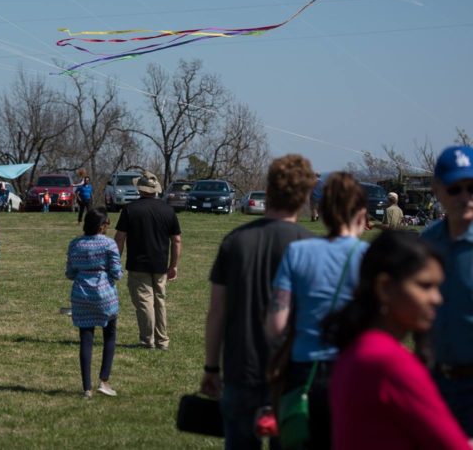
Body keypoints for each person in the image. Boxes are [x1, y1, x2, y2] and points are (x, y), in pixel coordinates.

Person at [200, 154, 316, 449]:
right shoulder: (310, 246)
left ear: (269, 189)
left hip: (242, 368)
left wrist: (211, 367)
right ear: (304, 196)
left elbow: (217, 311)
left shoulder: (235, 241)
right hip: (292, 373)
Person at [324, 231, 468, 449]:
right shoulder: (390, 363)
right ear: (385, 288)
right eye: (425, 286)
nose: (437, 299)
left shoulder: (357, 349)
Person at [265, 172, 369, 449]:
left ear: (320, 211)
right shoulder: (368, 257)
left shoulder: (298, 252)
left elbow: (276, 324)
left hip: (303, 373)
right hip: (353, 374)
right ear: (361, 213)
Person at [421, 144, 473, 435]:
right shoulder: (427, 243)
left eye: (472, 188)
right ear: (438, 189)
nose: (465, 198)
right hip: (436, 381)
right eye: (456, 189)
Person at [113, 170, 181, 351]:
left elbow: (120, 238)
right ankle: (162, 340)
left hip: (138, 264)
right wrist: (173, 265)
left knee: (144, 302)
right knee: (160, 301)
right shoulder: (168, 210)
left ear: (140, 189)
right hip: (160, 265)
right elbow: (177, 240)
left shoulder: (130, 209)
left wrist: (115, 261)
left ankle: (147, 340)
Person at [66, 207, 122, 398]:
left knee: (86, 339)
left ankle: (87, 388)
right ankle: (104, 381)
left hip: (81, 294)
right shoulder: (109, 244)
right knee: (110, 337)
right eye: (106, 223)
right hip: (105, 294)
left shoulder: (75, 244)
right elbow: (116, 272)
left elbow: (70, 273)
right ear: (101, 226)